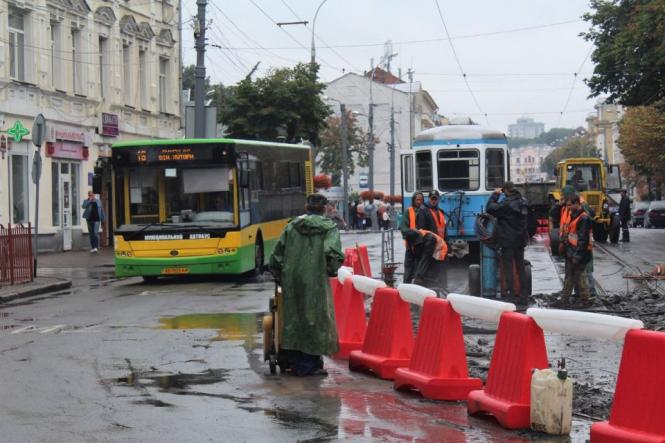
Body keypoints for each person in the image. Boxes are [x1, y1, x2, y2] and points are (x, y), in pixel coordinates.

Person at [269, 193, 344, 376]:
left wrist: (278, 273)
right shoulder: (329, 228)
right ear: (324, 208)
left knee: (293, 318)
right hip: (316, 279)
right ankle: (310, 364)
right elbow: (331, 252)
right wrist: (331, 269)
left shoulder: (292, 226)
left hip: (291, 278)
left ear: (306, 208)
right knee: (315, 320)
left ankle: (293, 361)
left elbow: (277, 253)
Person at [486, 181, 529, 301]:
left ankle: (510, 295)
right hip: (520, 240)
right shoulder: (524, 201)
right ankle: (523, 295)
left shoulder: (506, 205)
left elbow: (489, 208)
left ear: (506, 190)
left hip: (507, 241)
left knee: (508, 268)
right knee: (520, 267)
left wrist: (495, 194)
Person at [560, 195, 592, 305]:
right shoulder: (574, 215)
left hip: (579, 252)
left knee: (577, 276)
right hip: (572, 251)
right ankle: (570, 299)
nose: (568, 207)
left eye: (569, 205)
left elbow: (583, 240)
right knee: (574, 276)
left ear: (577, 203)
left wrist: (577, 256)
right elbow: (570, 233)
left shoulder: (583, 218)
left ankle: (582, 300)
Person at [414, 190, 448, 291]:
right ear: (429, 199)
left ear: (438, 199)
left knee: (440, 265)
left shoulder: (440, 212)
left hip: (440, 244)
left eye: (435, 199)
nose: (434, 200)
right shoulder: (423, 211)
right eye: (432, 198)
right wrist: (428, 241)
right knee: (428, 264)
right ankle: (420, 282)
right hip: (430, 244)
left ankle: (441, 285)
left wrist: (447, 243)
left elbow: (444, 230)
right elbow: (422, 230)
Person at [399, 192, 424, 283]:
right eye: (417, 200)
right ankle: (406, 287)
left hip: (422, 246)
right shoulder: (408, 211)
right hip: (411, 245)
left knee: (421, 270)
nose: (419, 202)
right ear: (413, 200)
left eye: (421, 200)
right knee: (409, 269)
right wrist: (411, 233)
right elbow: (403, 226)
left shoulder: (425, 211)